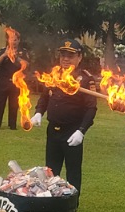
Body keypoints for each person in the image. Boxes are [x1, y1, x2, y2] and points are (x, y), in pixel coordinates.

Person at [31, 39, 97, 194]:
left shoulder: (85, 79)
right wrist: (39, 112)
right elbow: (45, 97)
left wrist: (81, 131)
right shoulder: (54, 74)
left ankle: (72, 203)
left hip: (72, 131)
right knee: (50, 171)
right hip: (53, 130)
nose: (65, 59)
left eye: (70, 56)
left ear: (79, 57)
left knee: (73, 171)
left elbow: (91, 108)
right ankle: (52, 201)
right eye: (63, 55)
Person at [0, 29, 25, 130]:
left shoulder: (22, 52)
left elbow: (26, 64)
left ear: (19, 40)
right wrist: (4, 55)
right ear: (8, 40)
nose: (13, 42)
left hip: (16, 82)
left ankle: (12, 125)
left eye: (15, 39)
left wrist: (16, 58)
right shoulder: (3, 50)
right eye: (11, 39)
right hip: (2, 82)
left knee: (14, 105)